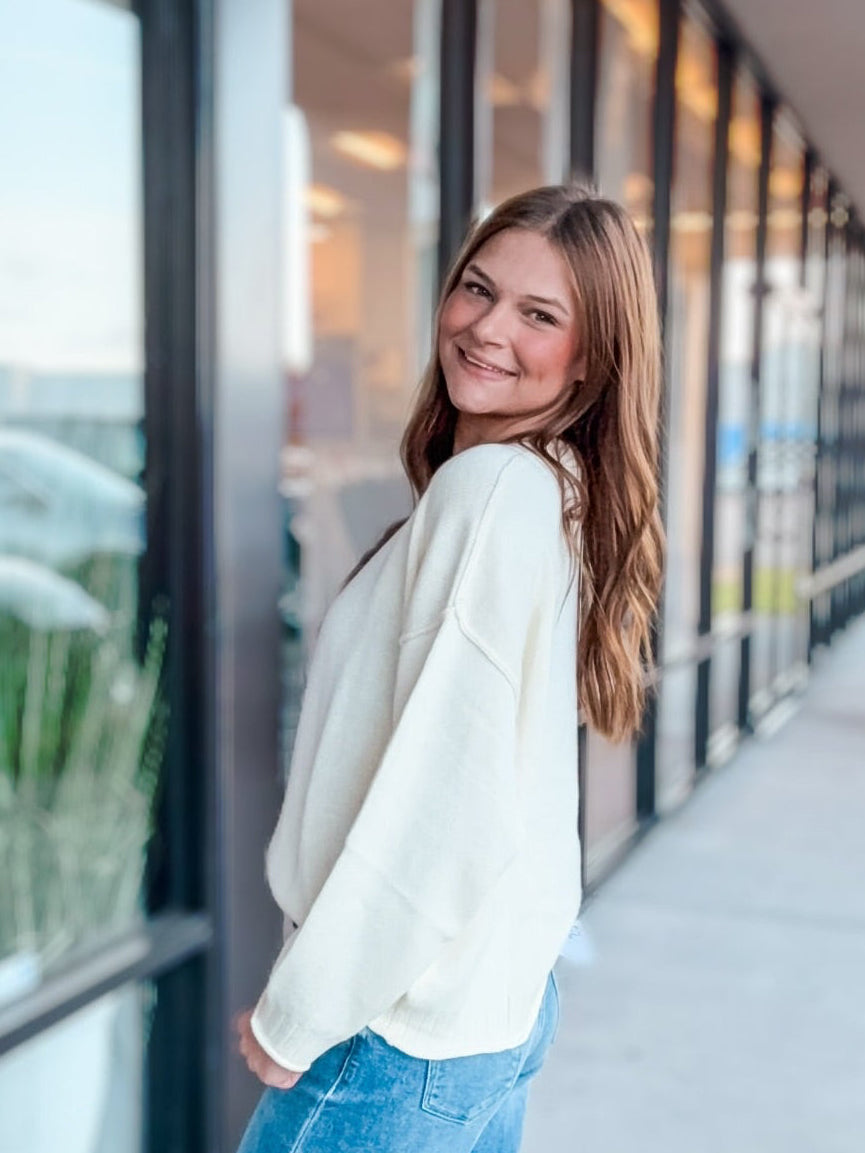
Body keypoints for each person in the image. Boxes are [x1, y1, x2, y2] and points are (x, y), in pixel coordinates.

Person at [235, 183, 664, 1153]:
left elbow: (444, 804)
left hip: (392, 1033)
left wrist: (304, 1008)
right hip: (480, 1008)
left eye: (538, 314)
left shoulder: (494, 493)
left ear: (589, 356)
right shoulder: (545, 487)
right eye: (477, 288)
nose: (486, 328)